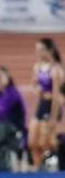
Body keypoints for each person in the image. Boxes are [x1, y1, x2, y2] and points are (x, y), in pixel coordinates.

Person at [27, 38, 64, 168]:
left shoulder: (56, 70)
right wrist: (40, 92)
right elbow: (33, 85)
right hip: (41, 106)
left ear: (50, 51)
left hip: (52, 107)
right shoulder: (37, 67)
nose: (38, 52)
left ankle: (54, 164)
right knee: (32, 142)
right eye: (37, 49)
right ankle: (38, 168)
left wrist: (53, 117)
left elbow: (56, 96)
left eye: (41, 49)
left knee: (45, 143)